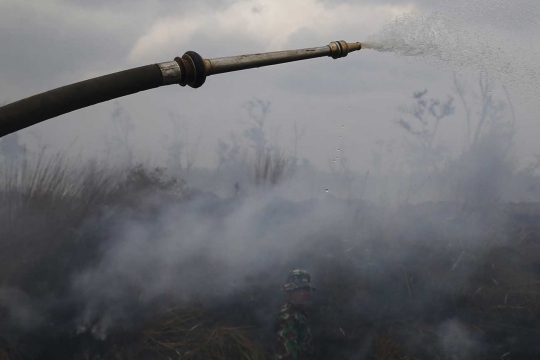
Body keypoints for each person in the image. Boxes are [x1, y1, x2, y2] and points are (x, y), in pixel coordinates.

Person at [273, 269, 314, 360]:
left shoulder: (299, 312)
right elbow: (287, 353)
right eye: (298, 289)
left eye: (305, 289)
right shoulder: (288, 316)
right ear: (289, 291)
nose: (302, 293)